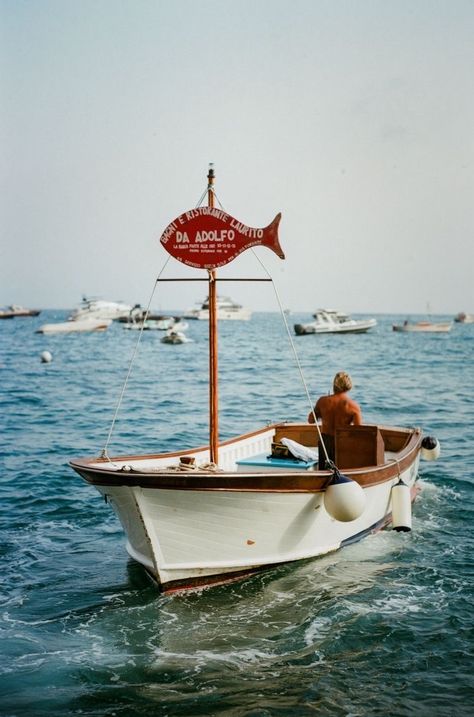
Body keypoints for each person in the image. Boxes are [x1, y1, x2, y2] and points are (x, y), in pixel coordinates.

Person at [308, 371, 362, 469]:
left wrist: (321, 409)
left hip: (325, 442)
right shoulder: (353, 406)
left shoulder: (322, 401)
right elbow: (358, 432)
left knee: (324, 470)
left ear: (334, 385)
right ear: (349, 385)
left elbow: (311, 420)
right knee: (341, 469)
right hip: (342, 441)